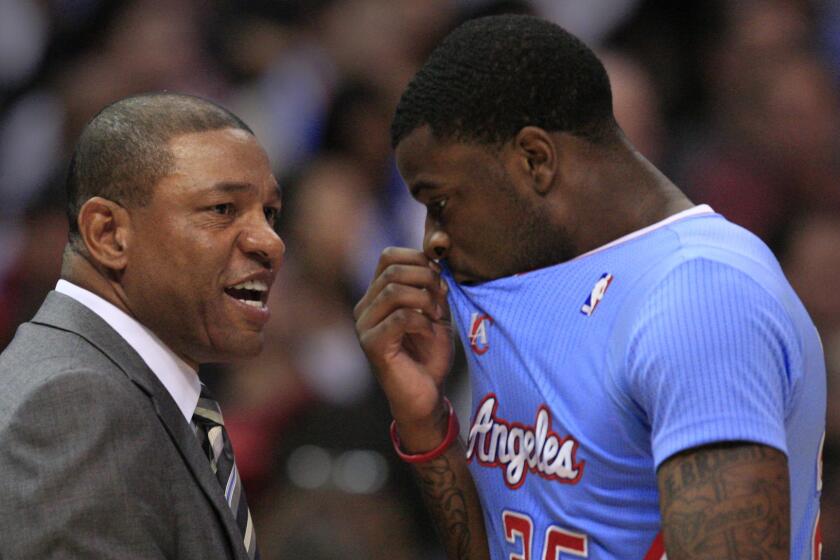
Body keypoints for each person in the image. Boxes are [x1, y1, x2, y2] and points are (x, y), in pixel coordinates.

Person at [353, 15, 826, 560]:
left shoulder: (700, 293)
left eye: (438, 202)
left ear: (535, 159)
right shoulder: (529, 282)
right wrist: (426, 424)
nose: (431, 239)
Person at [0, 93, 284, 559]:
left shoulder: (107, 385)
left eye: (269, 213)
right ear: (108, 233)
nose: (270, 242)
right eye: (222, 209)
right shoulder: (78, 402)